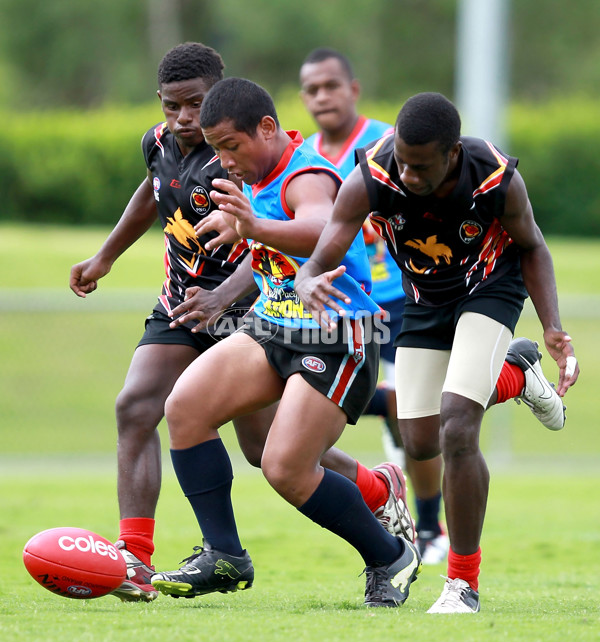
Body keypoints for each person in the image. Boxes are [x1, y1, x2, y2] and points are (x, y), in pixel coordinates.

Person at [69, 44, 414, 604]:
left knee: (282, 466)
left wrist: (252, 227)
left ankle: (389, 556)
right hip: (272, 325)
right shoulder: (242, 169)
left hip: (336, 335)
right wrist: (246, 232)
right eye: (217, 149)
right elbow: (178, 199)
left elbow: (323, 230)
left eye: (229, 147)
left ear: (268, 129)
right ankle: (224, 556)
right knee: (183, 407)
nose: (222, 159)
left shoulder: (306, 174)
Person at [295, 92, 579, 613]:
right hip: (425, 299)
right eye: (402, 160)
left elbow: (534, 246)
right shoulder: (375, 174)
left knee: (457, 426)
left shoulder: (494, 176)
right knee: (418, 439)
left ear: (452, 153)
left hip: (492, 287)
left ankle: (462, 584)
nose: (407, 174)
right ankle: (517, 375)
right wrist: (308, 277)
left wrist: (553, 325)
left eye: (421, 166)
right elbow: (328, 243)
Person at [299, 47, 448, 565]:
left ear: (353, 89)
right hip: (339, 304)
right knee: (319, 390)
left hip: (403, 298)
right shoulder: (305, 160)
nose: (322, 97)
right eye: (312, 90)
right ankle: (393, 436)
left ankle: (430, 529)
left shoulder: (391, 142)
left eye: (331, 86)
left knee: (419, 415)